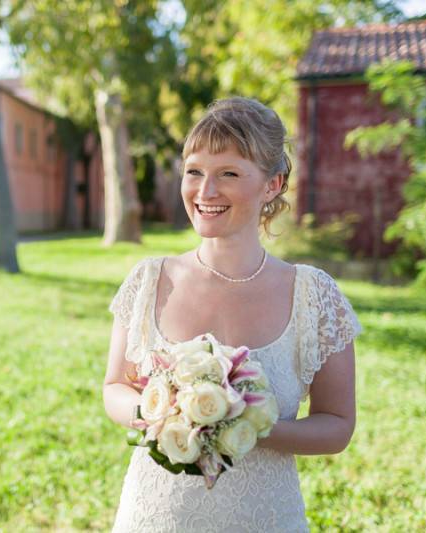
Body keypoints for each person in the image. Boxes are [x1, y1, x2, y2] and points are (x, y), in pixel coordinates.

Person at [103, 96, 363, 532]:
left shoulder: (315, 296)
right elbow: (115, 387)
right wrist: (167, 413)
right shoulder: (147, 281)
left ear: (273, 184)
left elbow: (337, 426)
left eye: (228, 173)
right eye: (194, 172)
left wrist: (244, 424)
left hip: (265, 518)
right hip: (156, 515)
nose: (205, 192)